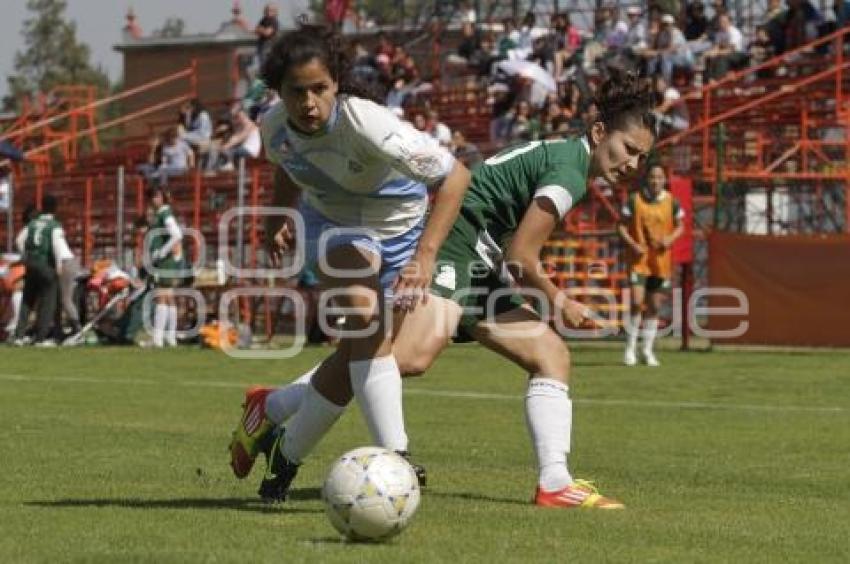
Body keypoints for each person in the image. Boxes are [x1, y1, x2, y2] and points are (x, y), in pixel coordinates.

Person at [233, 71, 657, 508]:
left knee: (550, 355)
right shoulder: (570, 171)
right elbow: (521, 257)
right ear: (600, 131)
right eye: (628, 149)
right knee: (397, 359)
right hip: (458, 248)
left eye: (642, 158)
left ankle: (554, 482)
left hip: (479, 265)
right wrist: (561, 301)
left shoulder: (570, 159)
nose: (633, 164)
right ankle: (274, 408)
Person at [229, 25, 470, 501]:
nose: (310, 103)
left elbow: (457, 176)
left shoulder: (367, 123)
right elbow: (285, 164)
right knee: (363, 321)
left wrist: (424, 257)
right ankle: (396, 456)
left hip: (402, 230)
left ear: (336, 82)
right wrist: (279, 218)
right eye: (297, 92)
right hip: (336, 227)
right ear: (280, 92)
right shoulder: (275, 126)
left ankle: (281, 439)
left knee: (369, 356)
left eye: (319, 89)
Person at [617, 163, 684, 367]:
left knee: (654, 306)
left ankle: (647, 350)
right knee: (637, 302)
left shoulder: (672, 202)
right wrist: (633, 244)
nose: (656, 181)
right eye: (652, 177)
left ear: (665, 180)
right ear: (647, 179)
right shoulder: (634, 200)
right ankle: (629, 349)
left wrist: (669, 240)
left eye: (659, 177)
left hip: (661, 262)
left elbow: (681, 226)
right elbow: (621, 226)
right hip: (639, 261)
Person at [13, 195, 72, 346]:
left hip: (30, 262)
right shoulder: (54, 225)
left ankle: (19, 336)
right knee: (48, 301)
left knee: (27, 300)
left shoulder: (32, 223)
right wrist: (58, 265)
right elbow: (57, 245)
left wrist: (25, 255)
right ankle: (41, 337)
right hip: (45, 264)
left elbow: (19, 241)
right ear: (55, 208)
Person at [146, 187, 185, 348]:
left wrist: (162, 251)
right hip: (168, 260)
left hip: (165, 261)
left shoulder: (164, 214)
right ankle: (170, 337)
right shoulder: (162, 214)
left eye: (156, 196)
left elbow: (177, 234)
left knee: (162, 296)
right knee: (169, 297)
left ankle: (158, 338)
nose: (154, 200)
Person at [255, 3, 280, 67]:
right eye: (267, 10)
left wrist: (261, 29)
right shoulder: (263, 20)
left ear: (275, 12)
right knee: (262, 64)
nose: (268, 12)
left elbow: (267, 33)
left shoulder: (274, 21)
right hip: (262, 45)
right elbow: (256, 30)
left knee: (268, 65)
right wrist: (262, 30)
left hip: (269, 46)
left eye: (271, 10)